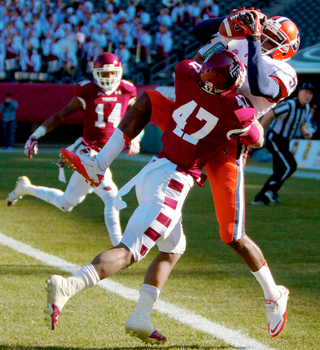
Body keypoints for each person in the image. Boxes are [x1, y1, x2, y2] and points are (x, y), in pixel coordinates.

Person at [59, 9, 297, 340]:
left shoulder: (284, 72)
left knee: (232, 233)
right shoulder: (246, 42)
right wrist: (232, 23)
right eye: (266, 31)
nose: (266, 36)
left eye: (274, 37)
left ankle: (274, 294)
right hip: (203, 118)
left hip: (228, 140)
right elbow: (202, 30)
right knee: (150, 99)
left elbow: (257, 84)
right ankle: (99, 163)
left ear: (287, 49)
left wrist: (254, 39)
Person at [6, 52, 139, 247]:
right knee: (112, 197)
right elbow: (61, 116)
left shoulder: (127, 90)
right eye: (104, 74)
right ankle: (119, 249)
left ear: (119, 72)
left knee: (65, 203)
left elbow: (137, 117)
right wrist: (36, 135)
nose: (109, 78)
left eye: (112, 74)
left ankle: (25, 188)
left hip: (106, 153)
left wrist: (136, 137)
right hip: (89, 152)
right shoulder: (86, 91)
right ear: (95, 73)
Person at [252, 83, 314, 205]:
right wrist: (260, 135)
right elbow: (268, 115)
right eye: (306, 92)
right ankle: (268, 191)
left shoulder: (306, 109)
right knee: (290, 166)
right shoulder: (289, 105)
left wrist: (305, 132)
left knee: (279, 170)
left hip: (285, 141)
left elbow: (302, 123)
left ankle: (265, 196)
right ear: (299, 93)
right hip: (274, 138)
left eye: (311, 94)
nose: (308, 96)